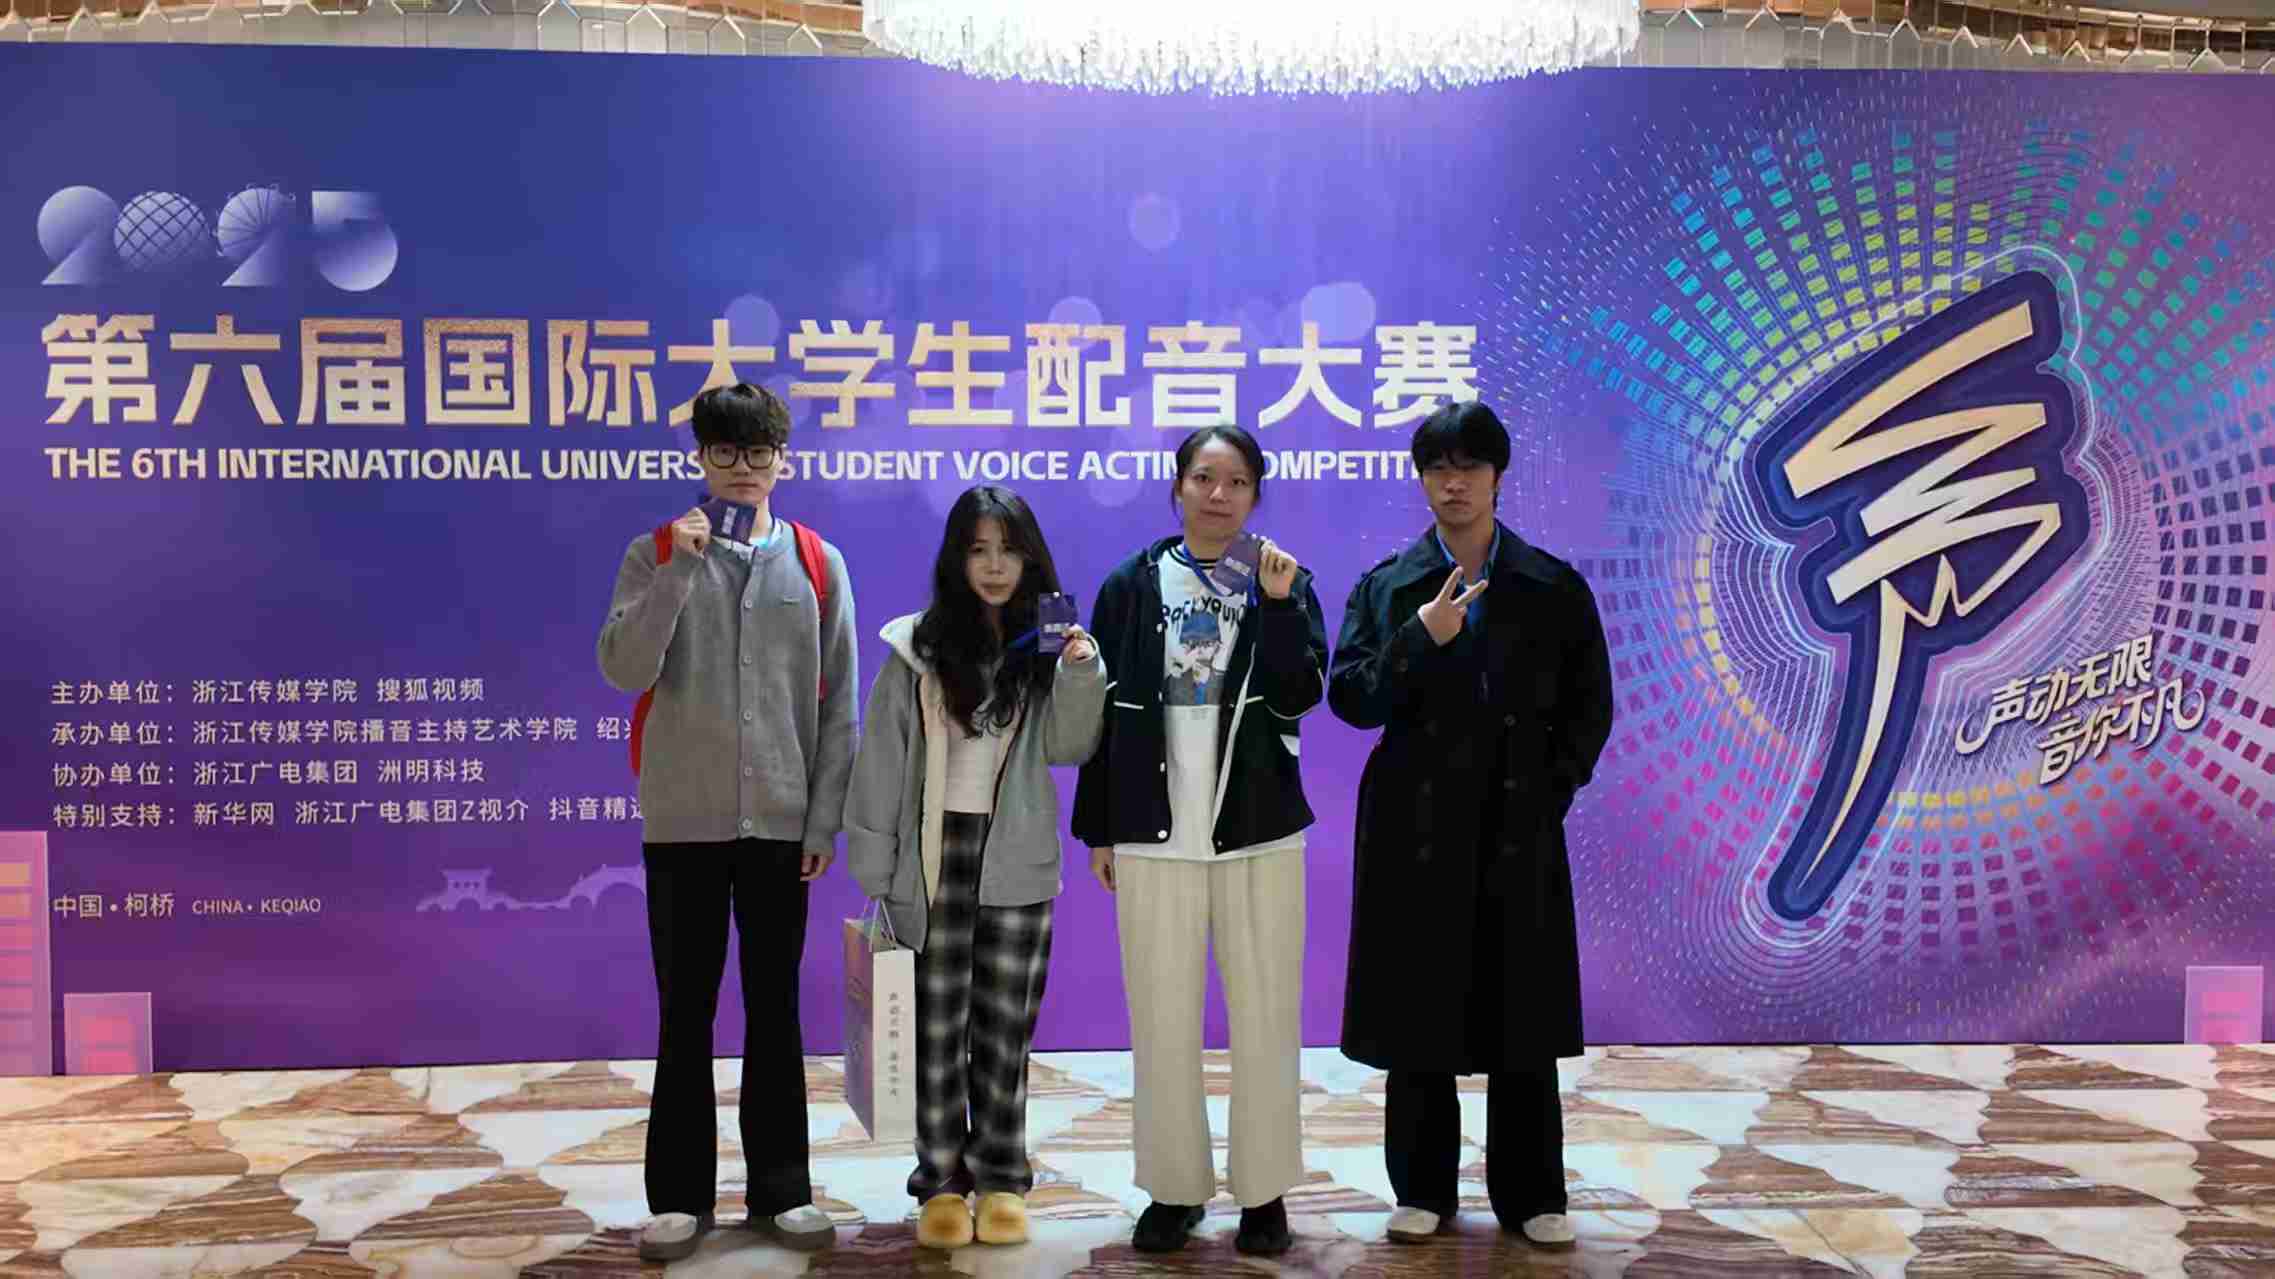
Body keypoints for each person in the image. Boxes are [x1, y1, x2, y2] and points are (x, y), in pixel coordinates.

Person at [1326, 399, 1613, 1249]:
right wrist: (1420, 636)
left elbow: (1589, 705)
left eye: (1470, 467)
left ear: (1497, 476)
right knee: (1418, 1008)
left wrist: (1547, 789)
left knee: (1520, 1010)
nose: (1453, 483)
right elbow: (1351, 697)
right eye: (1438, 468)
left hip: (1517, 820)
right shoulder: (1388, 586)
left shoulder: (1549, 584)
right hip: (1413, 823)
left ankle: (1532, 1193)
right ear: (1421, 479)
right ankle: (1421, 1187)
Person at [596, 382, 857, 1262]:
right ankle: (678, 1199)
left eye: (757, 453)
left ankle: (783, 1191)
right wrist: (679, 570)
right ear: (700, 458)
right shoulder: (653, 553)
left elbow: (839, 704)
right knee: (685, 1013)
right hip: (683, 824)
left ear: (783, 460)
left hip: (780, 825)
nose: (742, 469)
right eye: (724, 452)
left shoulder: (818, 562)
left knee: (776, 1011)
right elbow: (623, 669)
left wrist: (822, 822)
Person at [1072, 424, 1329, 1257]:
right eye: (1204, 478)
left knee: (1266, 1015)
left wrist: (1280, 606)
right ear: (1177, 486)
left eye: (1237, 481)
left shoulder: (1283, 578)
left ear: (1255, 494)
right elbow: (1100, 711)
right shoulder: (1131, 583)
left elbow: (1299, 695)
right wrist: (1099, 827)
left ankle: (1264, 1191)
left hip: (1258, 830)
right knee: (1159, 1015)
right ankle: (1173, 1189)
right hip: (1152, 830)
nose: (1219, 495)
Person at [843, 484, 1107, 1251]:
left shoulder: (1046, 645)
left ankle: (1000, 1180)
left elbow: (1069, 746)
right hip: (931, 859)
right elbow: (880, 758)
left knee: (1002, 1031)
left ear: (1030, 560)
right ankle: (939, 1183)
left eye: (1008, 550)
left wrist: (1080, 670)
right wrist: (876, 865)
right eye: (978, 550)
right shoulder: (915, 649)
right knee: (933, 1030)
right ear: (956, 559)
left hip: (1016, 855)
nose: (994, 566)